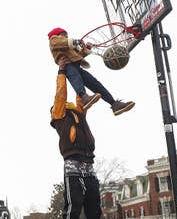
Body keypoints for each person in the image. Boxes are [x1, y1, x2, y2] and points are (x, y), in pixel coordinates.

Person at [48, 27, 135, 115]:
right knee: (76, 79)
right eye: (64, 35)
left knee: (95, 83)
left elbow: (77, 56)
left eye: (66, 36)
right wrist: (74, 41)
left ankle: (113, 104)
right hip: (67, 65)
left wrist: (86, 49)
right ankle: (84, 97)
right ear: (57, 35)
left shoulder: (67, 47)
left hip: (76, 66)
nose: (66, 37)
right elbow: (59, 42)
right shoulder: (53, 40)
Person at [51, 70, 101, 218]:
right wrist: (61, 73)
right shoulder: (59, 113)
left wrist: (76, 72)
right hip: (73, 162)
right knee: (74, 204)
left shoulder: (79, 112)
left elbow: (81, 98)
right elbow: (61, 93)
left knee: (94, 206)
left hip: (88, 162)